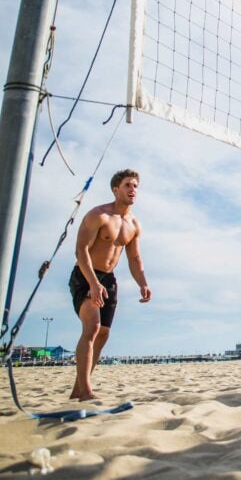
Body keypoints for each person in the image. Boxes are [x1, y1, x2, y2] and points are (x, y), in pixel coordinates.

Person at [69, 169, 152, 400]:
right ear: (116, 190)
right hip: (86, 275)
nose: (132, 189)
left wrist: (142, 283)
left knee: (104, 333)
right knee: (92, 327)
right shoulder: (99, 215)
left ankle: (77, 390)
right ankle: (86, 391)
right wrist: (93, 283)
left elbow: (134, 258)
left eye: (135, 185)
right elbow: (80, 250)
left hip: (109, 279)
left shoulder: (134, 224)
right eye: (127, 185)